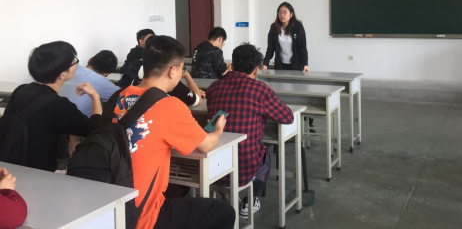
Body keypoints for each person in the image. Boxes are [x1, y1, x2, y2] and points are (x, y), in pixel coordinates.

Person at [108, 35, 235, 229]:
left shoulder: (118, 97)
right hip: (143, 215)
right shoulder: (169, 105)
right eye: (181, 69)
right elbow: (206, 145)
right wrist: (218, 129)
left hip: (112, 207)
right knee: (223, 212)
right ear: (173, 71)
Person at [206, 43, 294, 218]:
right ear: (255, 70)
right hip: (244, 170)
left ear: (231, 66)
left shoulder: (214, 87)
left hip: (214, 167)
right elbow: (288, 117)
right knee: (265, 154)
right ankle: (249, 200)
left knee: (230, 148)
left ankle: (227, 197)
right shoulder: (260, 90)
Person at [4, 42, 102, 172]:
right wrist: (95, 96)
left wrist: (72, 135)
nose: (76, 63)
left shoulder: (20, 90)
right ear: (62, 74)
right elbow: (96, 129)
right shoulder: (59, 105)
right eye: (74, 62)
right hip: (36, 173)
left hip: (8, 163)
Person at [59, 50, 119, 117]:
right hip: (78, 122)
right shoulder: (101, 81)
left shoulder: (71, 69)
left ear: (89, 59)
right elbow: (125, 96)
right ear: (105, 74)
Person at [262, 2, 311, 72]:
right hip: (280, 64)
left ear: (291, 14)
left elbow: (302, 47)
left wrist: (305, 64)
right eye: (280, 12)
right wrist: (265, 63)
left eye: (285, 12)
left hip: (296, 64)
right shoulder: (274, 27)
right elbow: (270, 47)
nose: (282, 15)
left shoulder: (298, 27)